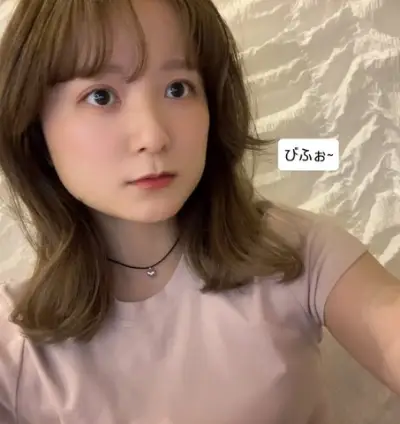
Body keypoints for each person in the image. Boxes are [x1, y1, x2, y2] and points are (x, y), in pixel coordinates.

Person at [0, 0, 399, 423]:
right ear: (35, 128)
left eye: (178, 88)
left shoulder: (296, 253)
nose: (153, 135)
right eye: (101, 96)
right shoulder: (16, 347)